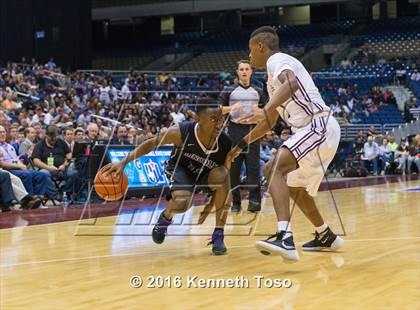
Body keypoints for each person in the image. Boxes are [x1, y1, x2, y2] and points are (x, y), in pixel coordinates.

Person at [227, 26, 344, 263]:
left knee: (272, 169)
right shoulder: (272, 81)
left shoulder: (277, 60)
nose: (250, 57)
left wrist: (266, 108)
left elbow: (291, 84)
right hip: (316, 129)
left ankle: (285, 238)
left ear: (260, 46)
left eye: (251, 51)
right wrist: (241, 144)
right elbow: (270, 122)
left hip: (317, 124)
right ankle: (325, 235)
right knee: (293, 186)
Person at [103, 98, 232, 255]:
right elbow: (151, 144)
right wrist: (123, 162)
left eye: (221, 119)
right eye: (213, 119)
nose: (219, 124)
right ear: (197, 118)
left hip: (206, 175)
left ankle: (218, 235)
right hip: (182, 169)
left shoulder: (225, 143)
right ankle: (166, 217)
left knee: (223, 175)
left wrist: (211, 204)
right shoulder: (180, 133)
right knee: (183, 204)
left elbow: (225, 182)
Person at [219, 60, 265, 212]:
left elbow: (269, 113)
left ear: (251, 71)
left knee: (253, 168)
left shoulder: (259, 90)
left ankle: (254, 201)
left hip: (253, 131)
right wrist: (232, 108)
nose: (244, 71)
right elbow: (217, 110)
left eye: (247, 69)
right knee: (234, 170)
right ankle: (236, 203)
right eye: (241, 69)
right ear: (237, 72)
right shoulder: (228, 90)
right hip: (234, 131)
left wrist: (259, 112)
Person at [0, 125, 49, 197]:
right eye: (0, 132)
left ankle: (38, 198)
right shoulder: (23, 145)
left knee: (42, 175)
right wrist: (19, 165)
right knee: (26, 174)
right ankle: (29, 200)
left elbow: (16, 159)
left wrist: (22, 164)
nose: (2, 134)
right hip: (8, 170)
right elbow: (2, 164)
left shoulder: (10, 146)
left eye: (3, 132)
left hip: (18, 168)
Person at [31, 125, 78, 199]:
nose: (54, 140)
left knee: (74, 173)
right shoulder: (39, 145)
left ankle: (64, 191)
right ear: (46, 135)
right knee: (43, 174)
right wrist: (48, 167)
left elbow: (69, 155)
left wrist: (64, 165)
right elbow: (36, 161)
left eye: (55, 137)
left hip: (62, 168)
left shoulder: (61, 142)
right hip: (47, 169)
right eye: (51, 138)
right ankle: (55, 195)